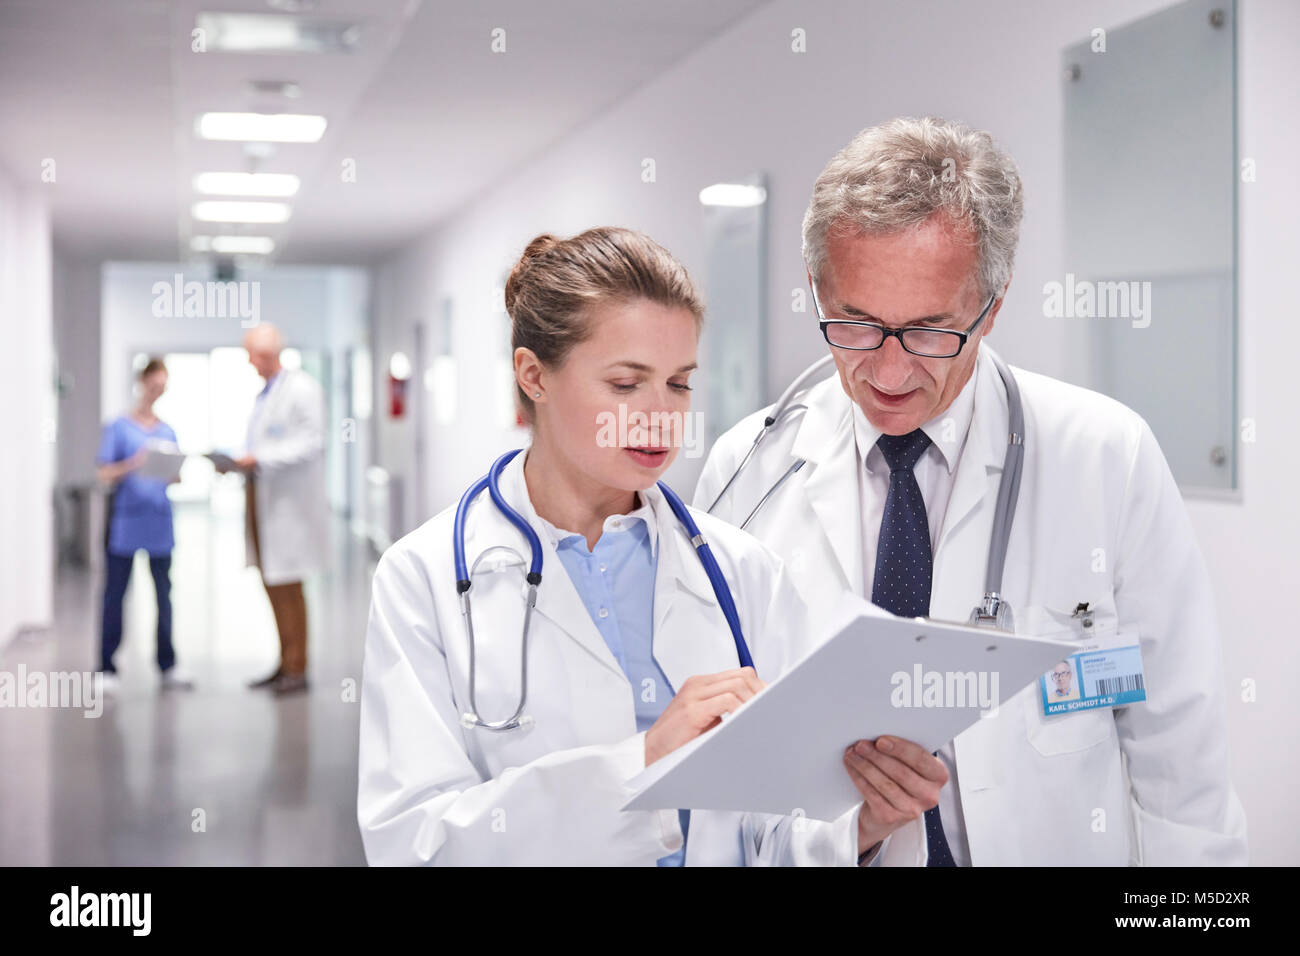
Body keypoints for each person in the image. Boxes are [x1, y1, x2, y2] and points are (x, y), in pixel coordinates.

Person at [696, 116, 1248, 865]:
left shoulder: (1103, 456)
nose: (889, 375)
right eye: (854, 324)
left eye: (930, 331)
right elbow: (724, 775)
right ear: (816, 290)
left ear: (992, 306)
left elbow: (1182, 764)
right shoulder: (748, 470)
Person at [357, 227, 933, 866]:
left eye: (679, 384)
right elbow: (414, 843)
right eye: (627, 384)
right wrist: (644, 762)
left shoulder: (740, 573)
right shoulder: (426, 578)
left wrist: (862, 825)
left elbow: (777, 825)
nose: (661, 415)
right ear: (533, 376)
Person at [220, 324, 327, 697]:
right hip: (262, 496)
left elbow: (312, 443)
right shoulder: (267, 393)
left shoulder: (302, 389)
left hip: (289, 508)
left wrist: (258, 459)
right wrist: (243, 462)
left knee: (289, 585)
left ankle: (297, 668)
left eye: (252, 354)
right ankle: (284, 663)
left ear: (266, 353)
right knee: (272, 582)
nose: (250, 362)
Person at [96, 357, 193, 693]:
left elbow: (175, 476)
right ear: (141, 383)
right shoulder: (119, 428)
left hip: (159, 522)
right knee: (115, 596)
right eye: (153, 386)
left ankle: (168, 664)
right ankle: (106, 667)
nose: (156, 393)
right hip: (125, 522)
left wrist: (172, 470)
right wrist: (134, 463)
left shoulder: (167, 431)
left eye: (162, 388)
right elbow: (103, 472)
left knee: (164, 596)